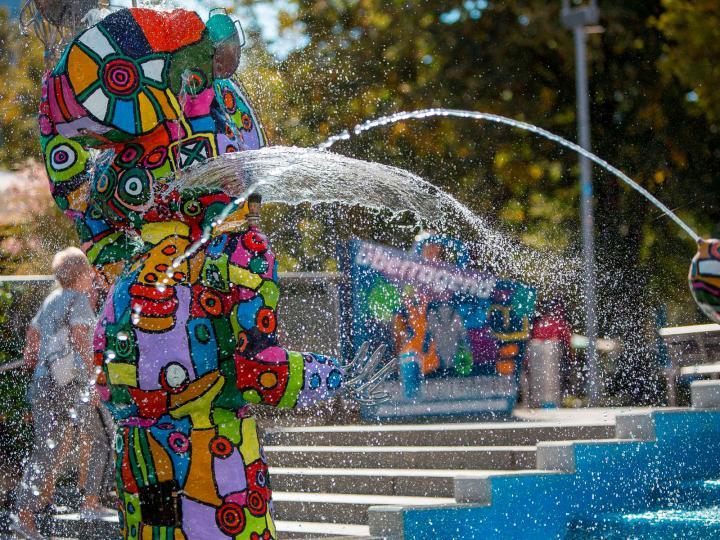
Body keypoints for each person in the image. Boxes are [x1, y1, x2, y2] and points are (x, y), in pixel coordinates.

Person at [12, 248, 105, 538]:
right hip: (71, 384)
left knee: (48, 448)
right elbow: (80, 338)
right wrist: (95, 378)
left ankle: (25, 514)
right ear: (81, 274)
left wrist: (32, 357)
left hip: (44, 381)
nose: (93, 276)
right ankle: (89, 502)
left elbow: (32, 335)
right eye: (90, 271)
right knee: (100, 438)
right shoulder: (78, 300)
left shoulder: (52, 299)